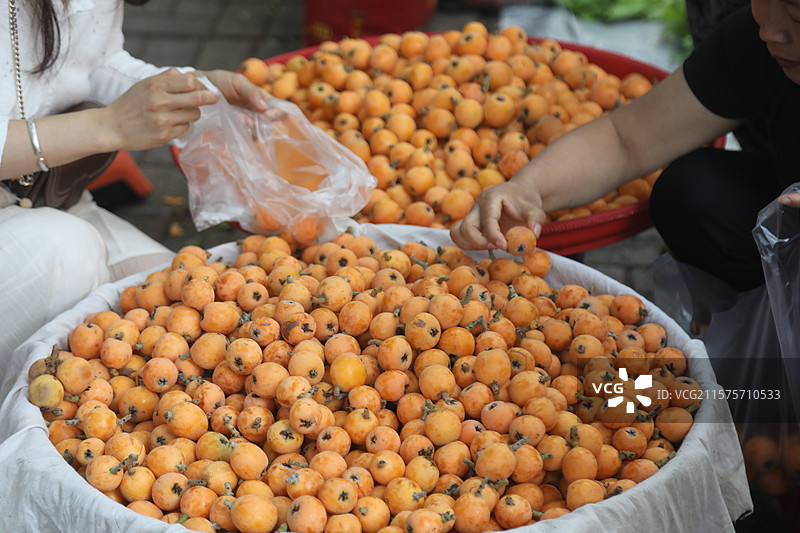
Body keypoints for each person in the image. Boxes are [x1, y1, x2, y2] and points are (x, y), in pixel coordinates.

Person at [451, 0, 800, 295]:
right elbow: (624, 140)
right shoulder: (755, 44)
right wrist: (528, 187)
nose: (769, 29)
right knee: (695, 190)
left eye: (796, 15)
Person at [0, 0, 270, 362]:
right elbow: (108, 121)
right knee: (64, 251)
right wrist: (107, 125)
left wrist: (196, 91)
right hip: (50, 229)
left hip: (49, 195)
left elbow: (92, 64)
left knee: (186, 301)